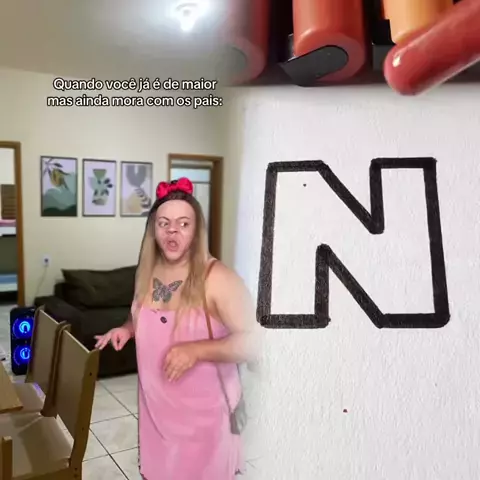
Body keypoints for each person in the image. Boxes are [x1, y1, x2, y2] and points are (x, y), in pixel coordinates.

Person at [94, 177, 258, 480]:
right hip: (156, 418)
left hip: (206, 426)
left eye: (184, 224)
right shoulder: (146, 272)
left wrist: (197, 350)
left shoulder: (218, 278)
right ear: (153, 230)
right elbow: (140, 316)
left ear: (196, 231)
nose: (173, 231)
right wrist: (127, 329)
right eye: (164, 223)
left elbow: (255, 342)